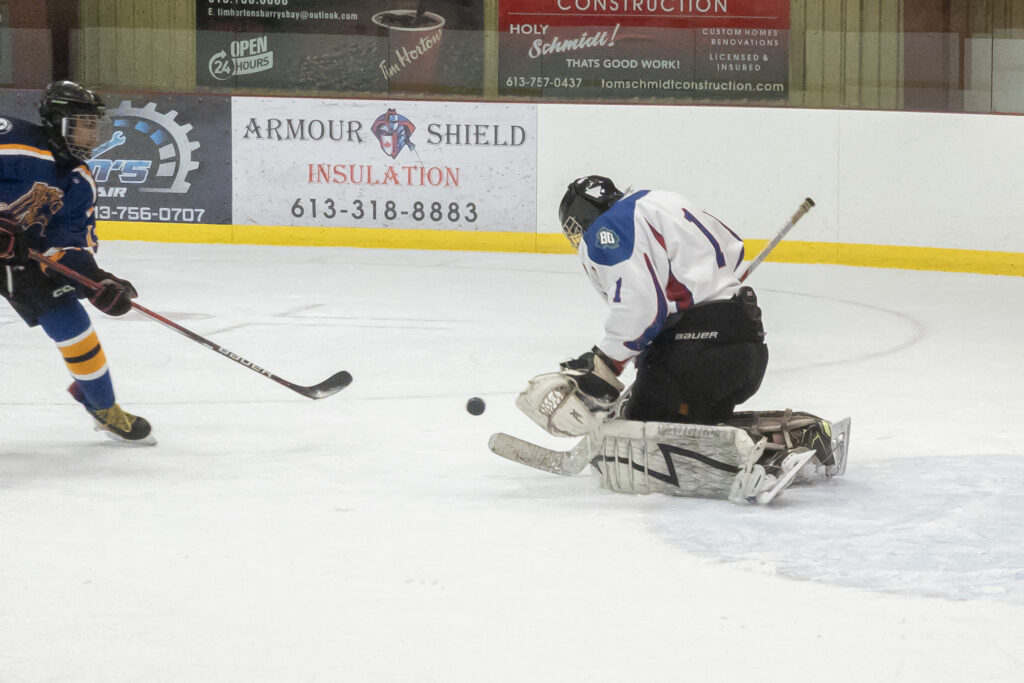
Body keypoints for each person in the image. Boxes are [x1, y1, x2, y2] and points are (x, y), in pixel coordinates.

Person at [511, 175, 847, 503]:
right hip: (746, 342)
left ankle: (758, 461)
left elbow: (640, 305)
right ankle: (792, 435)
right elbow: (732, 244)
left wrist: (605, 362)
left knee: (638, 432)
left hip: (695, 356)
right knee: (697, 426)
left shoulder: (605, 229)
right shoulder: (661, 200)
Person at [0, 80, 153, 444]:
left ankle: (103, 406)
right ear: (58, 121)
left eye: (94, 124)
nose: (92, 132)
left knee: (73, 324)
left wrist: (96, 281)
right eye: (85, 123)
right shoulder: (11, 138)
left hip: (21, 257)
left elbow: (66, 243)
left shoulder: (78, 180)